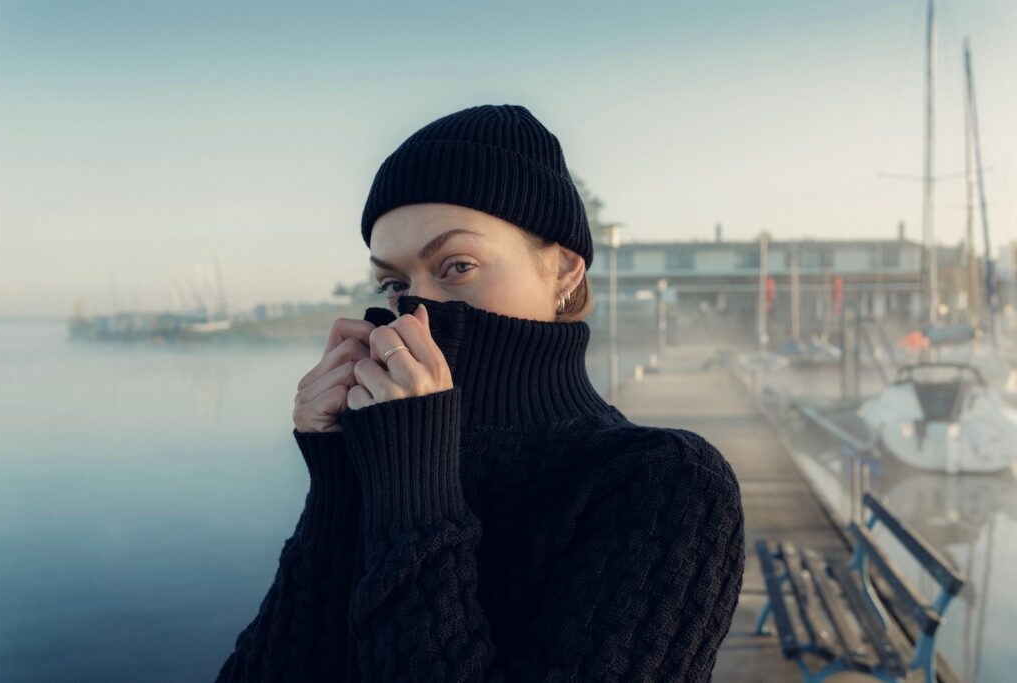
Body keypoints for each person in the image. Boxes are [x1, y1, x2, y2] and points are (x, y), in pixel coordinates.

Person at [216, 103, 744, 682]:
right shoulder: (385, 458)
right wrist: (338, 485)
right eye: (393, 283)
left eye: (457, 265)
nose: (416, 307)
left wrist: (415, 490)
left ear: (564, 270)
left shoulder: (665, 482)